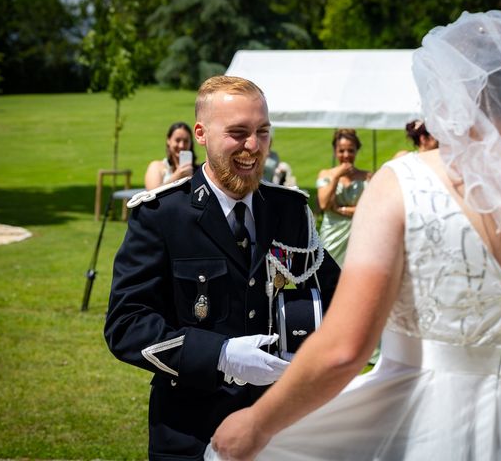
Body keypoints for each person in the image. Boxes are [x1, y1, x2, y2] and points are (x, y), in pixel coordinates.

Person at [208, 11, 501, 461]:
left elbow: (346, 350)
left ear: (452, 92)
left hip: (425, 427)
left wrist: (256, 423)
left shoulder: (405, 183)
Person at [104, 76, 340, 460]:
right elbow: (126, 324)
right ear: (201, 133)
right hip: (191, 432)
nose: (253, 147)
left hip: (280, 426)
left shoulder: (289, 210)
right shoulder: (163, 215)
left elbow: (337, 296)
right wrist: (221, 354)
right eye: (238, 132)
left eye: (263, 132)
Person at [316, 128, 372, 266]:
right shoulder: (326, 174)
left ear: (356, 151)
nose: (346, 155)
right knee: (329, 273)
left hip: (359, 233)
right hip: (332, 234)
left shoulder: (368, 177)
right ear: (335, 151)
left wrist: (341, 209)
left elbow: (369, 209)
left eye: (350, 150)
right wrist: (336, 177)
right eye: (341, 151)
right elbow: (324, 204)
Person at [144, 121, 197, 189]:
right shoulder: (156, 167)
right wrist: (177, 176)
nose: (181, 145)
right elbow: (151, 194)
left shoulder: (199, 170)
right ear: (168, 140)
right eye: (177, 140)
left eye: (186, 141)